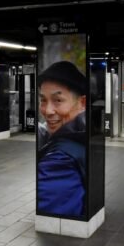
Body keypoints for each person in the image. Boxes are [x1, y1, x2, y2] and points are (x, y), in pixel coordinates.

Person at [36, 61, 88, 217]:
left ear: (82, 103)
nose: (48, 111)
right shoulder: (84, 134)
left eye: (58, 100)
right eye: (43, 100)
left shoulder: (58, 161)